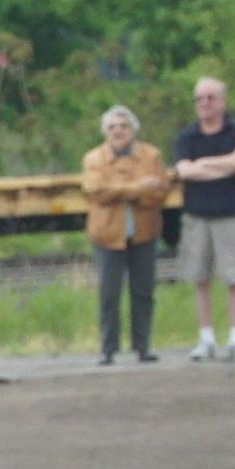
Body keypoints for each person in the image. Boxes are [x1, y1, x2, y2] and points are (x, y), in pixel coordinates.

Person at [171, 76, 235, 362]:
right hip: (197, 216)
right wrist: (225, 165)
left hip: (231, 216)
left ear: (223, 100)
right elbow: (185, 172)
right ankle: (206, 339)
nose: (205, 103)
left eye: (210, 97)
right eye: (200, 99)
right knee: (200, 278)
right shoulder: (187, 137)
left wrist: (205, 164)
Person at [79, 103, 173, 365]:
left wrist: (123, 191)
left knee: (143, 292)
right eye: (112, 127)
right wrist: (138, 187)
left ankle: (143, 347)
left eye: (124, 126)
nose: (118, 131)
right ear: (105, 132)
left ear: (134, 129)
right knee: (109, 293)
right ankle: (108, 349)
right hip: (107, 235)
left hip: (144, 232)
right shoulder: (93, 159)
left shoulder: (152, 155)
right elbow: (96, 191)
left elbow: (161, 190)